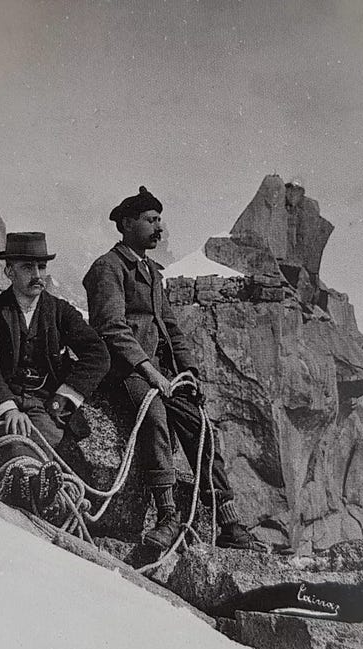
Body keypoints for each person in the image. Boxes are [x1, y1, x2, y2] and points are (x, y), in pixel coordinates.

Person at [82, 186, 262, 551]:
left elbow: (172, 328)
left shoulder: (152, 273)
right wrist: (150, 372)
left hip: (160, 372)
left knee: (200, 428)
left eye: (159, 219)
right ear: (127, 224)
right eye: (150, 220)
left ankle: (228, 521)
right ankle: (166, 516)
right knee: (155, 418)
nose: (158, 227)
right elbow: (111, 328)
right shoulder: (108, 268)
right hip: (122, 369)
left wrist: (190, 371)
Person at [0, 232, 110, 511]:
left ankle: (42, 492)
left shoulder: (60, 311)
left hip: (44, 405)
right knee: (12, 440)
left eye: (42, 267)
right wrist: (8, 408)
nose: (38, 275)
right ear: (9, 271)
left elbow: (98, 355)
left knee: (45, 446)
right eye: (27, 267)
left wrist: (63, 400)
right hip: (5, 402)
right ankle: (37, 493)